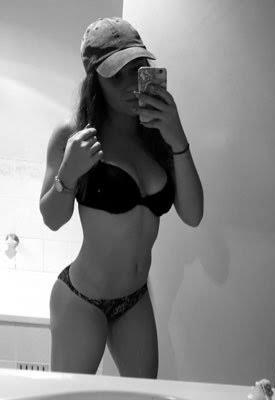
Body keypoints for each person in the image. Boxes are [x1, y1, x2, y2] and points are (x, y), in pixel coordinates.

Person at [39, 16, 203, 377]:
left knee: (143, 396)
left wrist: (178, 138)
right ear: (95, 80)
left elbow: (193, 215)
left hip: (135, 299)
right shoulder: (74, 135)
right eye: (116, 75)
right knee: (69, 398)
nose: (130, 84)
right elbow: (52, 219)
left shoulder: (157, 134)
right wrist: (68, 174)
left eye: (136, 69)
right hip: (82, 300)